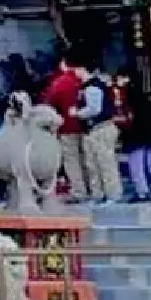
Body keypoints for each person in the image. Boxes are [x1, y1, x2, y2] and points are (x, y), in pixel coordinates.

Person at [69, 53, 120, 205]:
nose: (75, 72)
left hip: (101, 129)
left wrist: (76, 113)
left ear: (82, 68)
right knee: (92, 164)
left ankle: (112, 194)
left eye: (76, 68)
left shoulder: (93, 87)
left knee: (105, 163)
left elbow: (94, 109)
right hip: (92, 131)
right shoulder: (89, 86)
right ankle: (97, 194)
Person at [42, 52, 89, 202]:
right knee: (87, 158)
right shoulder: (84, 80)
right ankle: (93, 188)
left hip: (67, 127)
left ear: (63, 63)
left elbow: (49, 103)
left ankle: (79, 190)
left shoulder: (61, 82)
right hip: (88, 126)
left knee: (72, 160)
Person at [115, 71, 151, 202]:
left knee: (136, 163)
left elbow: (128, 118)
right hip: (149, 134)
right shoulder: (144, 97)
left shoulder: (127, 97)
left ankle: (142, 191)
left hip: (135, 135)